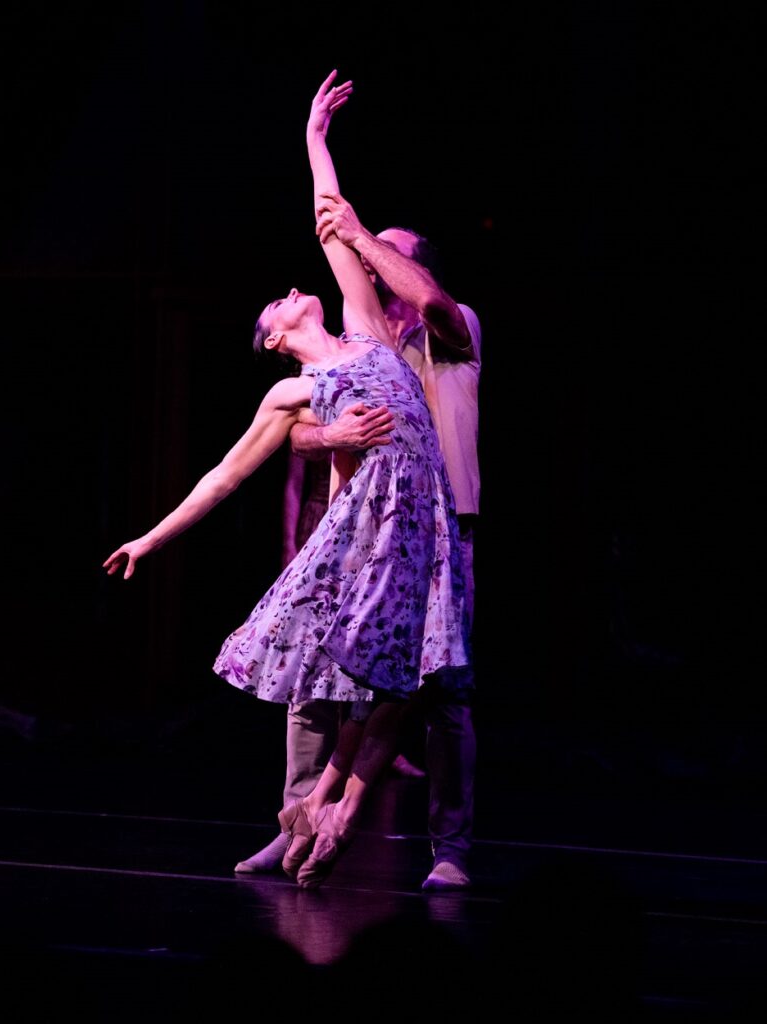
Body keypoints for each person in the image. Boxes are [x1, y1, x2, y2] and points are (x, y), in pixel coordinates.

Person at [104, 72, 471, 890]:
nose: (292, 289)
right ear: (275, 339)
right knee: (354, 673)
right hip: (364, 532)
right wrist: (151, 536)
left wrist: (315, 139)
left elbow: (333, 232)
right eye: (278, 302)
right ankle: (317, 809)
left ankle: (334, 806)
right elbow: (224, 476)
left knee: (415, 672)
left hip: (426, 520)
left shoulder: (366, 328)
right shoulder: (292, 391)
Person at [237, 75, 481, 891]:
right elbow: (292, 433)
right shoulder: (354, 339)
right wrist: (327, 433)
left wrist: (361, 231)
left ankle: (446, 848)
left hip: (445, 527)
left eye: (390, 254)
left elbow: (413, 285)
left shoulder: (450, 329)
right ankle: (300, 811)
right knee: (317, 676)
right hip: (364, 528)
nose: (374, 262)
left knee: (437, 689)